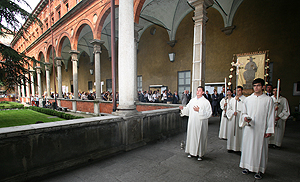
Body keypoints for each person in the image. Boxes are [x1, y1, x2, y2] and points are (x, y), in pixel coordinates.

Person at [239, 78, 275, 180]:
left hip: (261, 129)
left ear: (263, 87)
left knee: (260, 149)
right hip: (250, 128)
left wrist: (269, 130)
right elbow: (244, 112)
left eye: (258, 85)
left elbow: (271, 115)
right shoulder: (248, 99)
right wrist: (245, 118)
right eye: (254, 86)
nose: (256, 87)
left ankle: (259, 169)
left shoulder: (268, 100)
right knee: (248, 147)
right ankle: (247, 166)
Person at [179, 86, 212, 161]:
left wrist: (199, 111)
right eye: (197, 90)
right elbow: (188, 109)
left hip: (200, 123)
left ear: (203, 92)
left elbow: (209, 113)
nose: (198, 92)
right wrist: (183, 109)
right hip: (192, 122)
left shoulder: (206, 102)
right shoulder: (192, 100)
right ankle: (191, 152)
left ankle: (200, 154)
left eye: (200, 90)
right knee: (191, 136)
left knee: (200, 137)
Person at [226, 86, 246, 152]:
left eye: (239, 90)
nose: (238, 92)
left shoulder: (245, 99)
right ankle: (230, 147)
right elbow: (228, 109)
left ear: (242, 91)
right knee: (231, 132)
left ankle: (239, 148)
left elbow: (245, 108)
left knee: (239, 134)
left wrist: (239, 101)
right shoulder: (232, 100)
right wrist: (232, 113)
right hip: (232, 119)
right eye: (237, 90)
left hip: (240, 118)